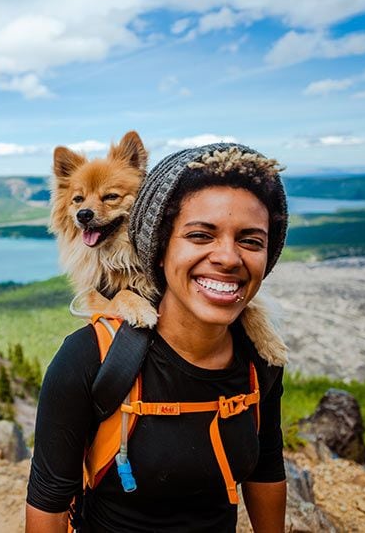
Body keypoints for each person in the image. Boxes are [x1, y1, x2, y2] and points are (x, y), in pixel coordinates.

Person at [25, 143, 289, 532]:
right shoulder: (87, 359)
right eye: (201, 235)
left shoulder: (258, 360)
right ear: (159, 244)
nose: (228, 257)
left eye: (251, 240)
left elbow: (266, 468)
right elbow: (49, 500)